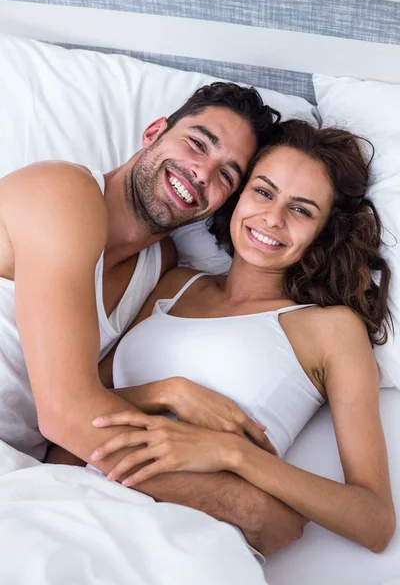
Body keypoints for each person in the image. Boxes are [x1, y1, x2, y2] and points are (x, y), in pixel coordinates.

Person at [0, 81, 308, 555]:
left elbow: (81, 395)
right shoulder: (62, 191)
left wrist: (166, 392)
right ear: (152, 133)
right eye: (197, 142)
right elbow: (66, 414)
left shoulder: (158, 268)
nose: (202, 172)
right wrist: (246, 506)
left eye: (227, 175)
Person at [78, 120, 396, 553]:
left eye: (301, 210)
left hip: (185, 541)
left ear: (325, 231)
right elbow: (78, 402)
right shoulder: (175, 283)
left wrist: (233, 454)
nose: (273, 218)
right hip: (75, 494)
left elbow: (374, 521)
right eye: (263, 191)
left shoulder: (333, 329)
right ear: (239, 194)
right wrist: (168, 394)